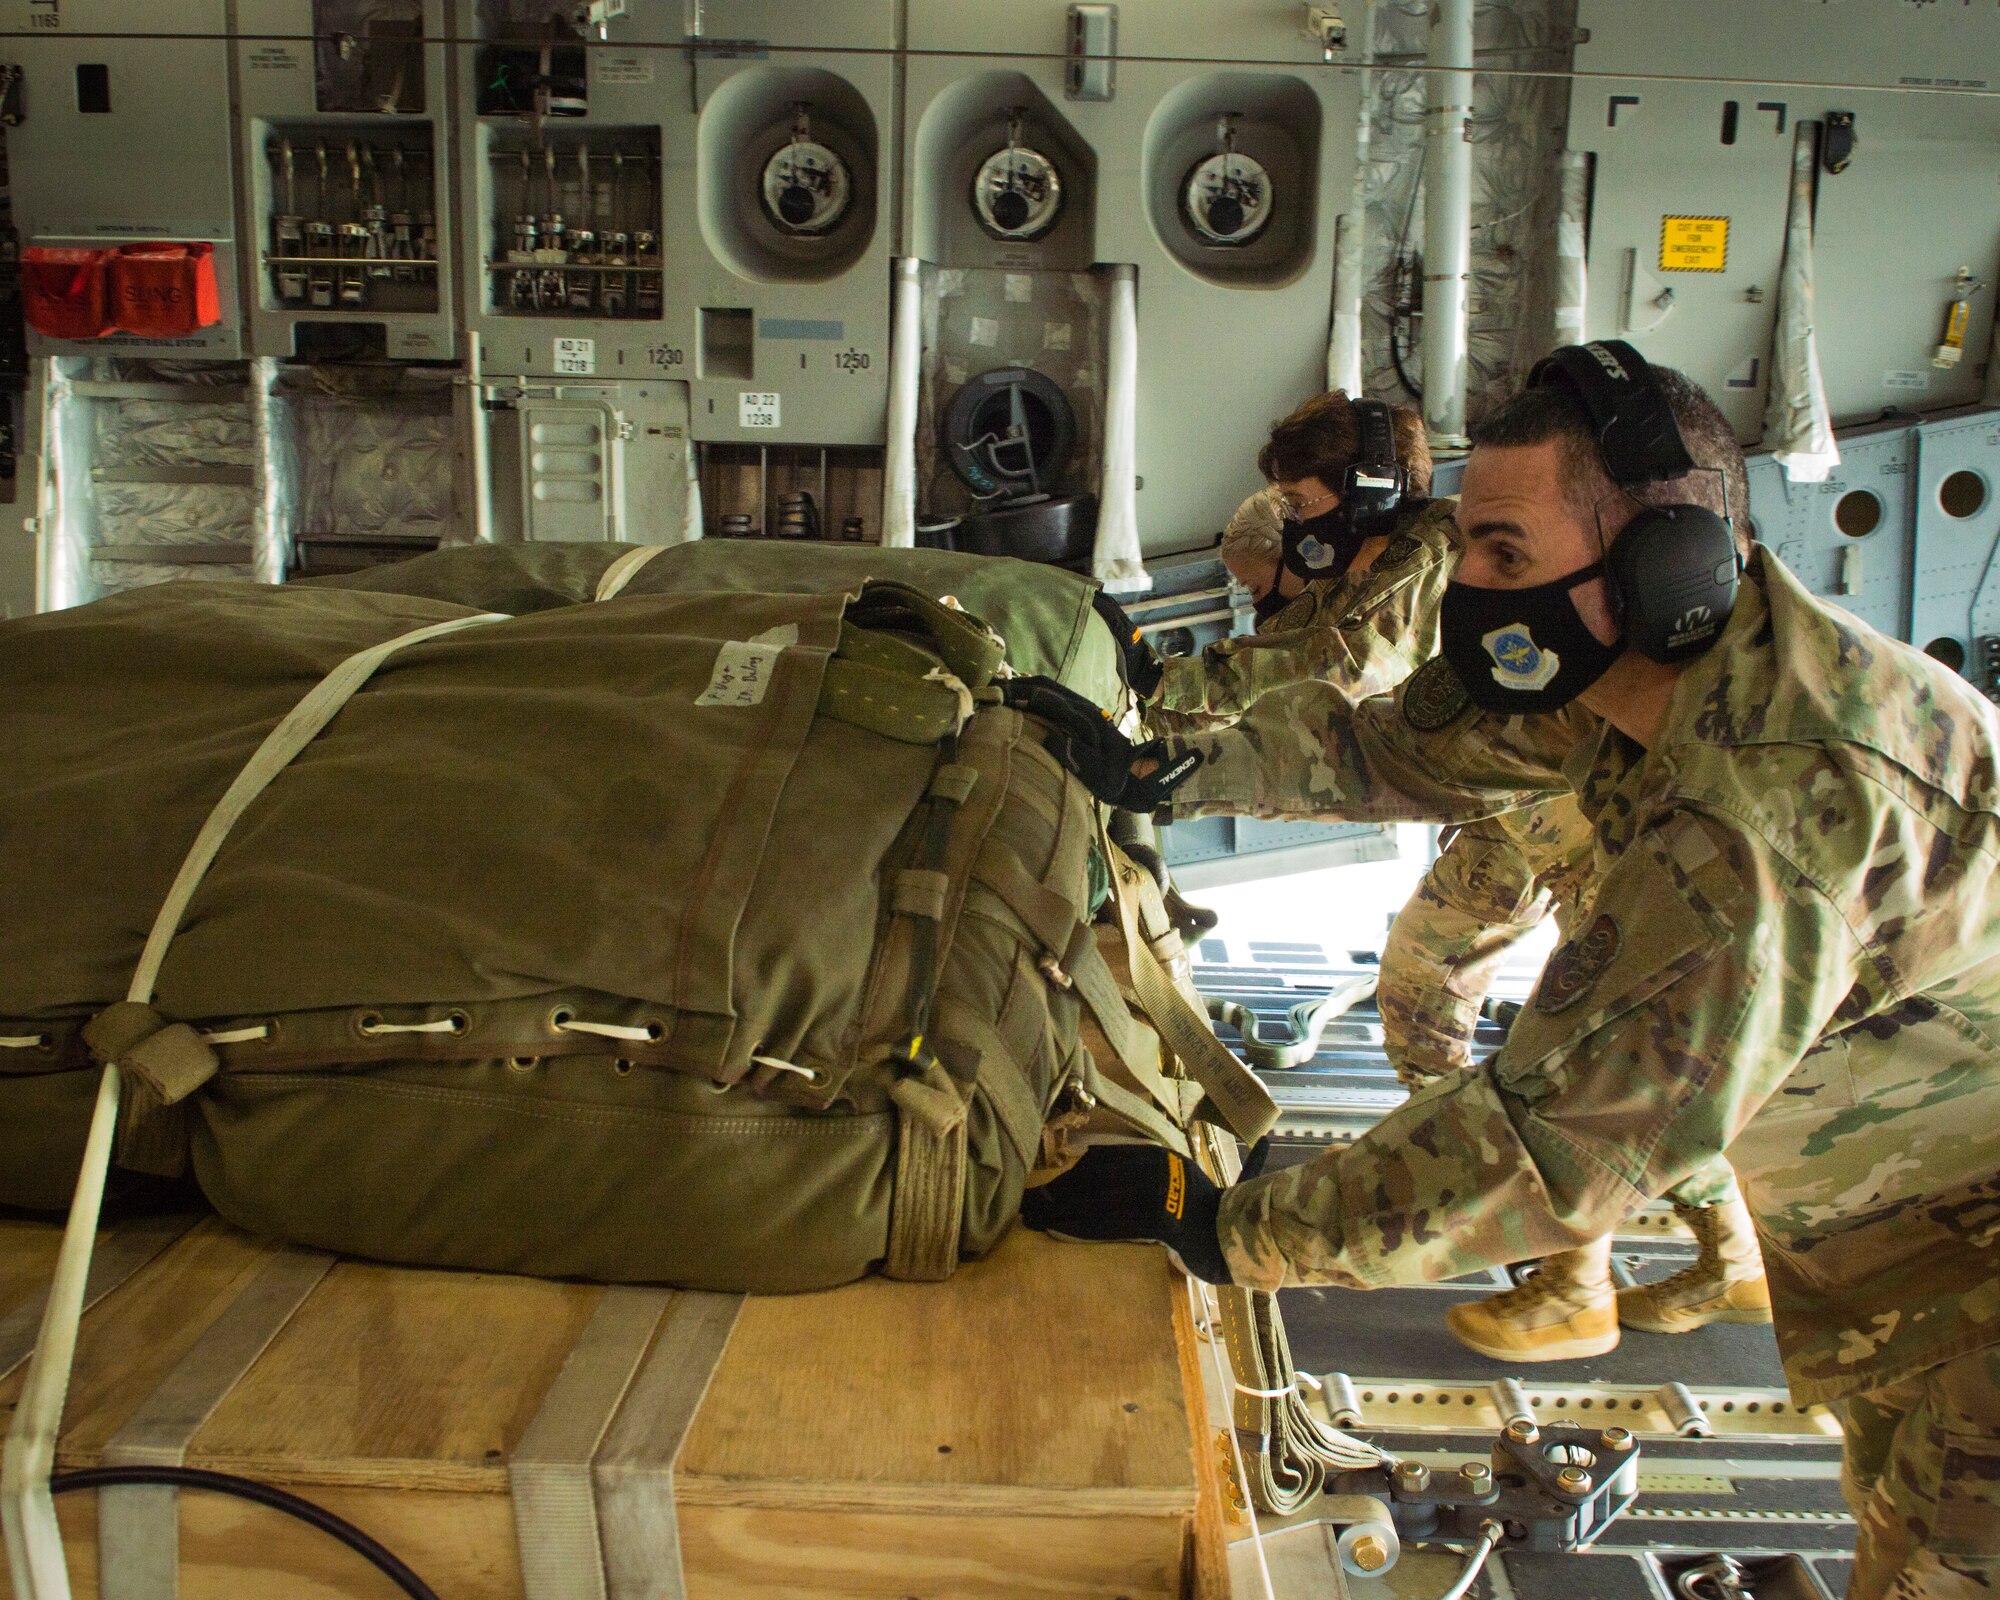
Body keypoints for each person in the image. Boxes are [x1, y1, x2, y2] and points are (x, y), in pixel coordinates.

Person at [1025, 343, 2000, 1599]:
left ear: (1668, 567)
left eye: (1503, 556)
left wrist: (1225, 1228)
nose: (1471, 593)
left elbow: (1555, 1146)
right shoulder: (1631, 660)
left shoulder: (1768, 799)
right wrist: (1168, 764)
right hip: (1897, 1261)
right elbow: (1398, 749)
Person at [1117, 388, 1767, 1362]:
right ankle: (1623, 1265)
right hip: (1509, 825)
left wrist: (1159, 697)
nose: (1297, 529)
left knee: (1613, 1068)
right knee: (1422, 989)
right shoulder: (1397, 563)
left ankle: (1609, 1271)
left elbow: (1343, 667)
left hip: (1579, 836)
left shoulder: (1423, 558)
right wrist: (1161, 722)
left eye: (1300, 503)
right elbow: (1338, 686)